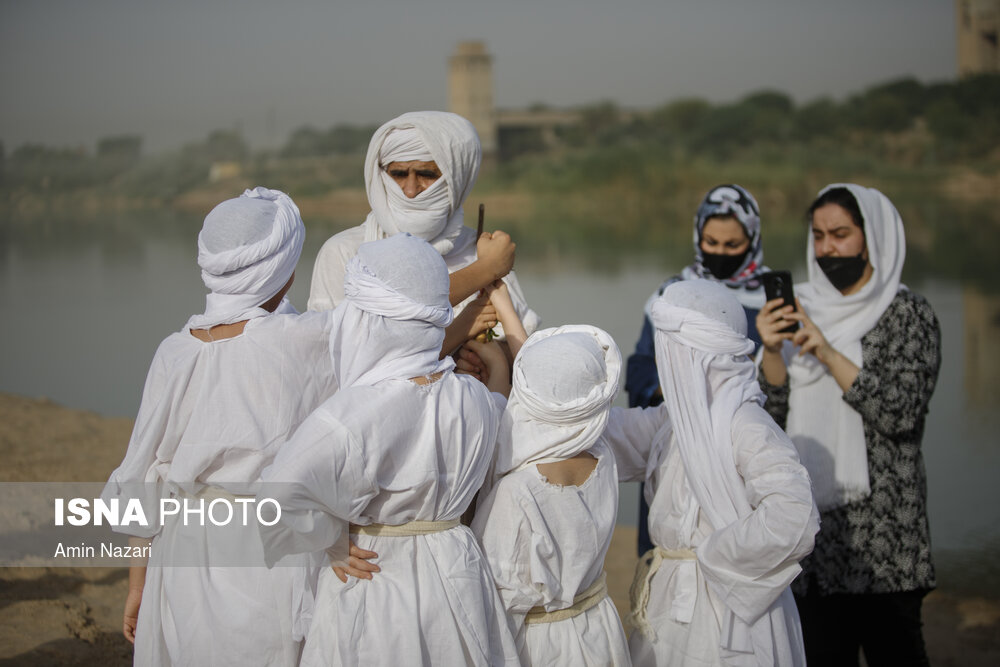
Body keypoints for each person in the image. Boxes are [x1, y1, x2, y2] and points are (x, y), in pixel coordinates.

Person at [101, 188, 339, 666]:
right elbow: (397, 335)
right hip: (270, 550)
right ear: (287, 271)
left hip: (182, 548)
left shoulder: (174, 351)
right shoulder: (305, 340)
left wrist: (137, 583)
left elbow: (144, 474)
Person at [258, 233, 520, 666]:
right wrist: (495, 364)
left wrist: (330, 541)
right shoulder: (468, 397)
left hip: (377, 576)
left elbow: (274, 497)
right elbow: (501, 409)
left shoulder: (350, 414)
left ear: (364, 320)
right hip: (457, 571)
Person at [755, 184, 941, 667]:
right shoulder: (804, 308)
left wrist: (826, 352)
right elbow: (773, 416)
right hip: (814, 541)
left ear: (872, 237)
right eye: (818, 236)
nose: (827, 249)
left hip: (885, 542)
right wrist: (773, 351)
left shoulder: (908, 314)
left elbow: (900, 412)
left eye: (840, 234)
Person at [611, 279, 819, 667]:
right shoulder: (675, 422)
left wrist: (711, 555)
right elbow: (611, 434)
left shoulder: (746, 424)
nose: (663, 363)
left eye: (668, 351)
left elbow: (795, 517)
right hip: (672, 606)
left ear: (689, 356)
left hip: (725, 614)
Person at [307, 110, 539, 356]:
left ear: (457, 180)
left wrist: (485, 356)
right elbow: (342, 358)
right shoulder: (345, 251)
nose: (410, 190)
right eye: (398, 174)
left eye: (427, 174)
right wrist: (455, 340)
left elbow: (522, 355)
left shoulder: (480, 251)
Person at [471, 325, 632, 666]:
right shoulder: (603, 458)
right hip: (598, 628)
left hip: (541, 646)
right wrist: (501, 367)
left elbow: (502, 600)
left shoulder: (517, 491)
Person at [626, 183, 770, 556]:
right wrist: (676, 386)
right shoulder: (672, 295)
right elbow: (642, 364)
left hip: (738, 445)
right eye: (711, 242)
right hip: (677, 441)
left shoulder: (769, 302)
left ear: (752, 239)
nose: (719, 253)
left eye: (732, 245)